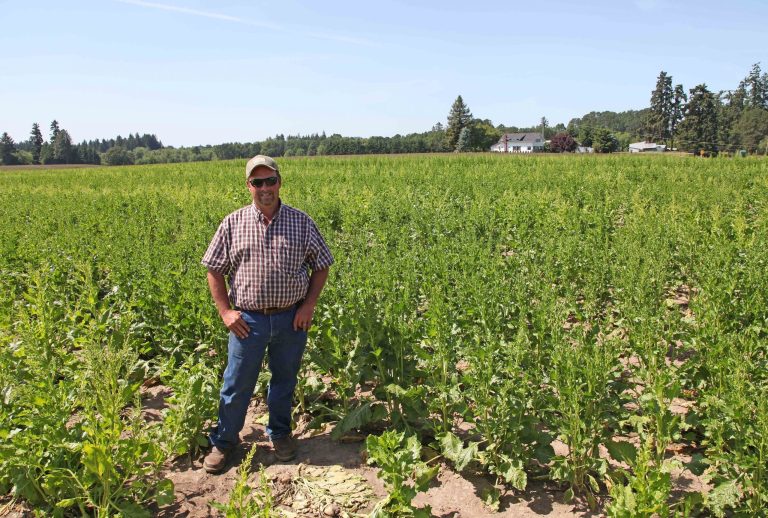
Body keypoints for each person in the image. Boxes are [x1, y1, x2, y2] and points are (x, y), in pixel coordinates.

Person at [201, 155, 333, 473]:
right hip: (248, 321)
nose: (265, 188)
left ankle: (280, 434)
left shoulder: (302, 222)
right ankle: (225, 441)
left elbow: (322, 264)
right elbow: (214, 269)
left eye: (270, 181)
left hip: (291, 318)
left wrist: (308, 305)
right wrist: (225, 312)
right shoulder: (232, 223)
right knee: (236, 383)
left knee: (284, 381)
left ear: (279, 182)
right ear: (249, 186)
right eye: (257, 182)